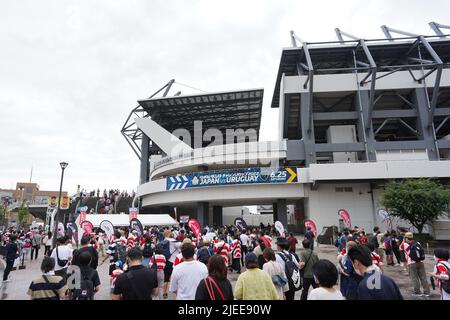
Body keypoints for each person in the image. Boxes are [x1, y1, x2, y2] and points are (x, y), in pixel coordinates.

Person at [402, 232, 430, 297]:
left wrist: (403, 240)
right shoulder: (417, 243)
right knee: (423, 277)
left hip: (411, 263)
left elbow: (400, 248)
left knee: (414, 278)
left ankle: (417, 292)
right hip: (420, 262)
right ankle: (427, 292)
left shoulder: (404, 244)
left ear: (406, 238)